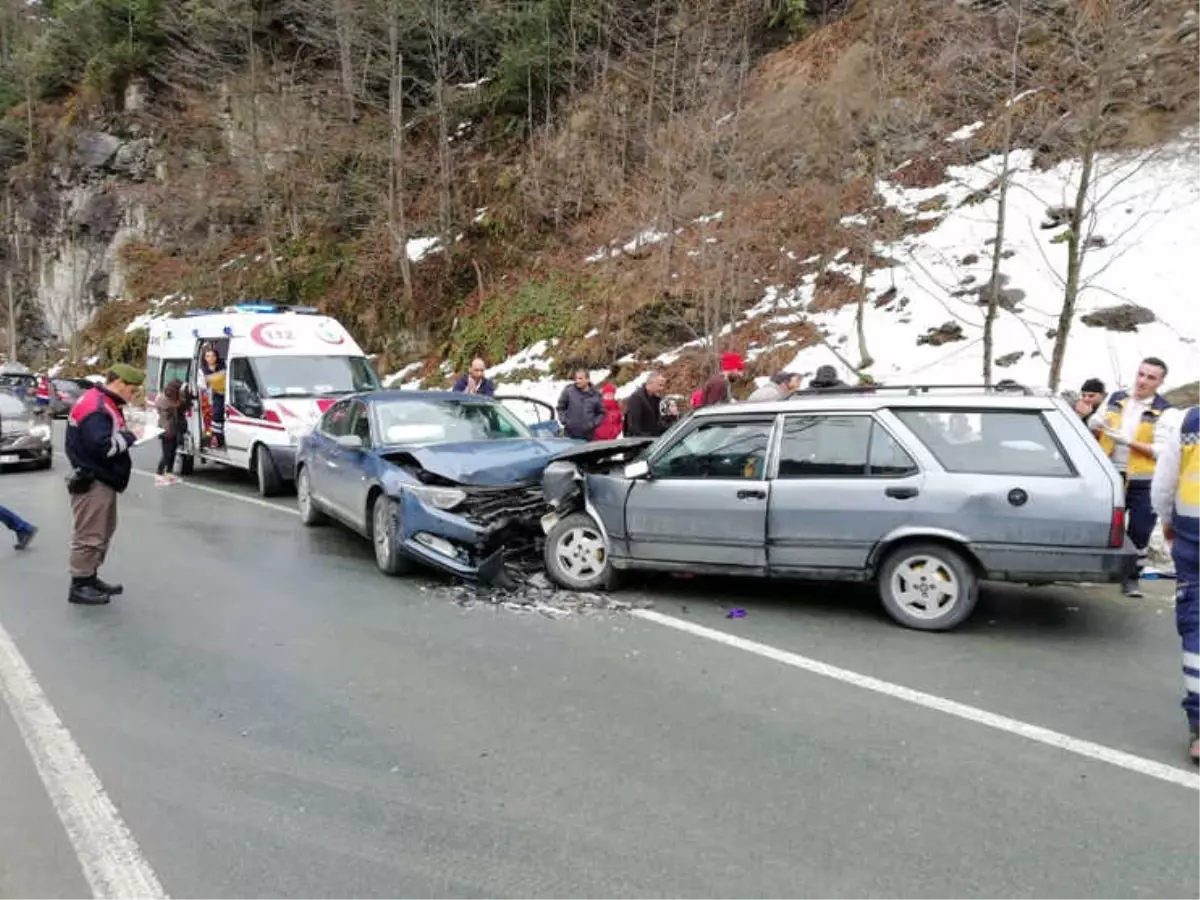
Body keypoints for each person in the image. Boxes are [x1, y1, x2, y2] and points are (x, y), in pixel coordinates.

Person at [1089, 357, 1173, 597]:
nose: (1143, 381)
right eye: (1141, 374)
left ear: (1160, 382)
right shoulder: (1116, 398)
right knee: (1104, 525)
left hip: (1143, 480)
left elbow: (1162, 451)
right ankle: (1101, 572)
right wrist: (1096, 421)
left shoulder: (1165, 411)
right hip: (1110, 472)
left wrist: (1129, 442)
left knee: (1140, 531)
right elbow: (1095, 428)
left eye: (1151, 377)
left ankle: (1132, 579)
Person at [64, 364, 143, 606]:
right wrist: (132, 437)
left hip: (100, 478)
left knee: (102, 530)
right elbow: (103, 447)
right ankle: (80, 584)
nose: (132, 396)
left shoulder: (100, 401)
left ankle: (90, 576)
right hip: (94, 479)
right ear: (118, 382)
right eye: (131, 390)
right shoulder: (97, 408)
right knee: (90, 534)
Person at [1149, 403, 1200, 764]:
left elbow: (1164, 486)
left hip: (1194, 540)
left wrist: (1169, 522)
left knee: (1197, 628)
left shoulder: (1188, 422)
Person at [556, 369, 604, 441]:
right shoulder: (568, 391)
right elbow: (560, 407)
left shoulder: (596, 395)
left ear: (587, 379)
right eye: (576, 378)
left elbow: (601, 413)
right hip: (570, 435)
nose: (577, 381)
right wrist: (565, 421)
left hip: (588, 436)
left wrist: (593, 424)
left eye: (580, 378)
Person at [154, 378, 185, 485]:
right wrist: (181, 400)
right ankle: (158, 475)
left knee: (172, 453)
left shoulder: (170, 397)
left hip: (172, 429)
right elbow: (174, 405)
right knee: (166, 454)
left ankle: (169, 474)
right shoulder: (164, 398)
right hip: (166, 430)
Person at [624, 371, 668, 438]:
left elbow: (657, 423)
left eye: (663, 385)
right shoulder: (637, 398)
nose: (662, 388)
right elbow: (633, 428)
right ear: (650, 383)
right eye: (660, 385)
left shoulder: (655, 398)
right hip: (642, 442)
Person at [200, 343, 226, 448]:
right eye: (207, 356)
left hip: (227, 394)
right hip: (216, 395)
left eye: (212, 356)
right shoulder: (203, 370)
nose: (210, 358)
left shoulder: (223, 366)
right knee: (216, 415)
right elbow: (202, 386)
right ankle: (217, 438)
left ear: (216, 357)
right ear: (205, 358)